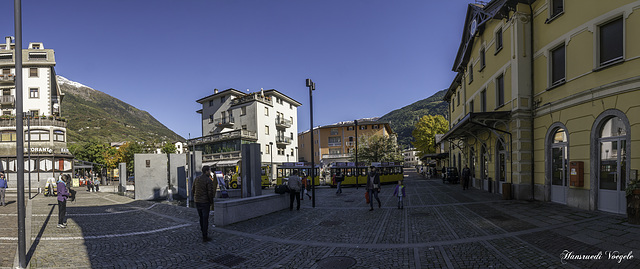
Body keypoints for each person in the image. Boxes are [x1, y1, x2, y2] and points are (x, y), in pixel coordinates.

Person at [192, 166, 216, 242]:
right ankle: (205, 236)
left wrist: (196, 197)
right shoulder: (208, 180)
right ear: (206, 171)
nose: (210, 172)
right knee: (205, 219)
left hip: (197, 201)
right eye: (209, 170)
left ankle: (203, 232)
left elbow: (193, 189)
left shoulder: (197, 179)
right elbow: (210, 192)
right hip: (205, 202)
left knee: (201, 218)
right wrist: (211, 201)